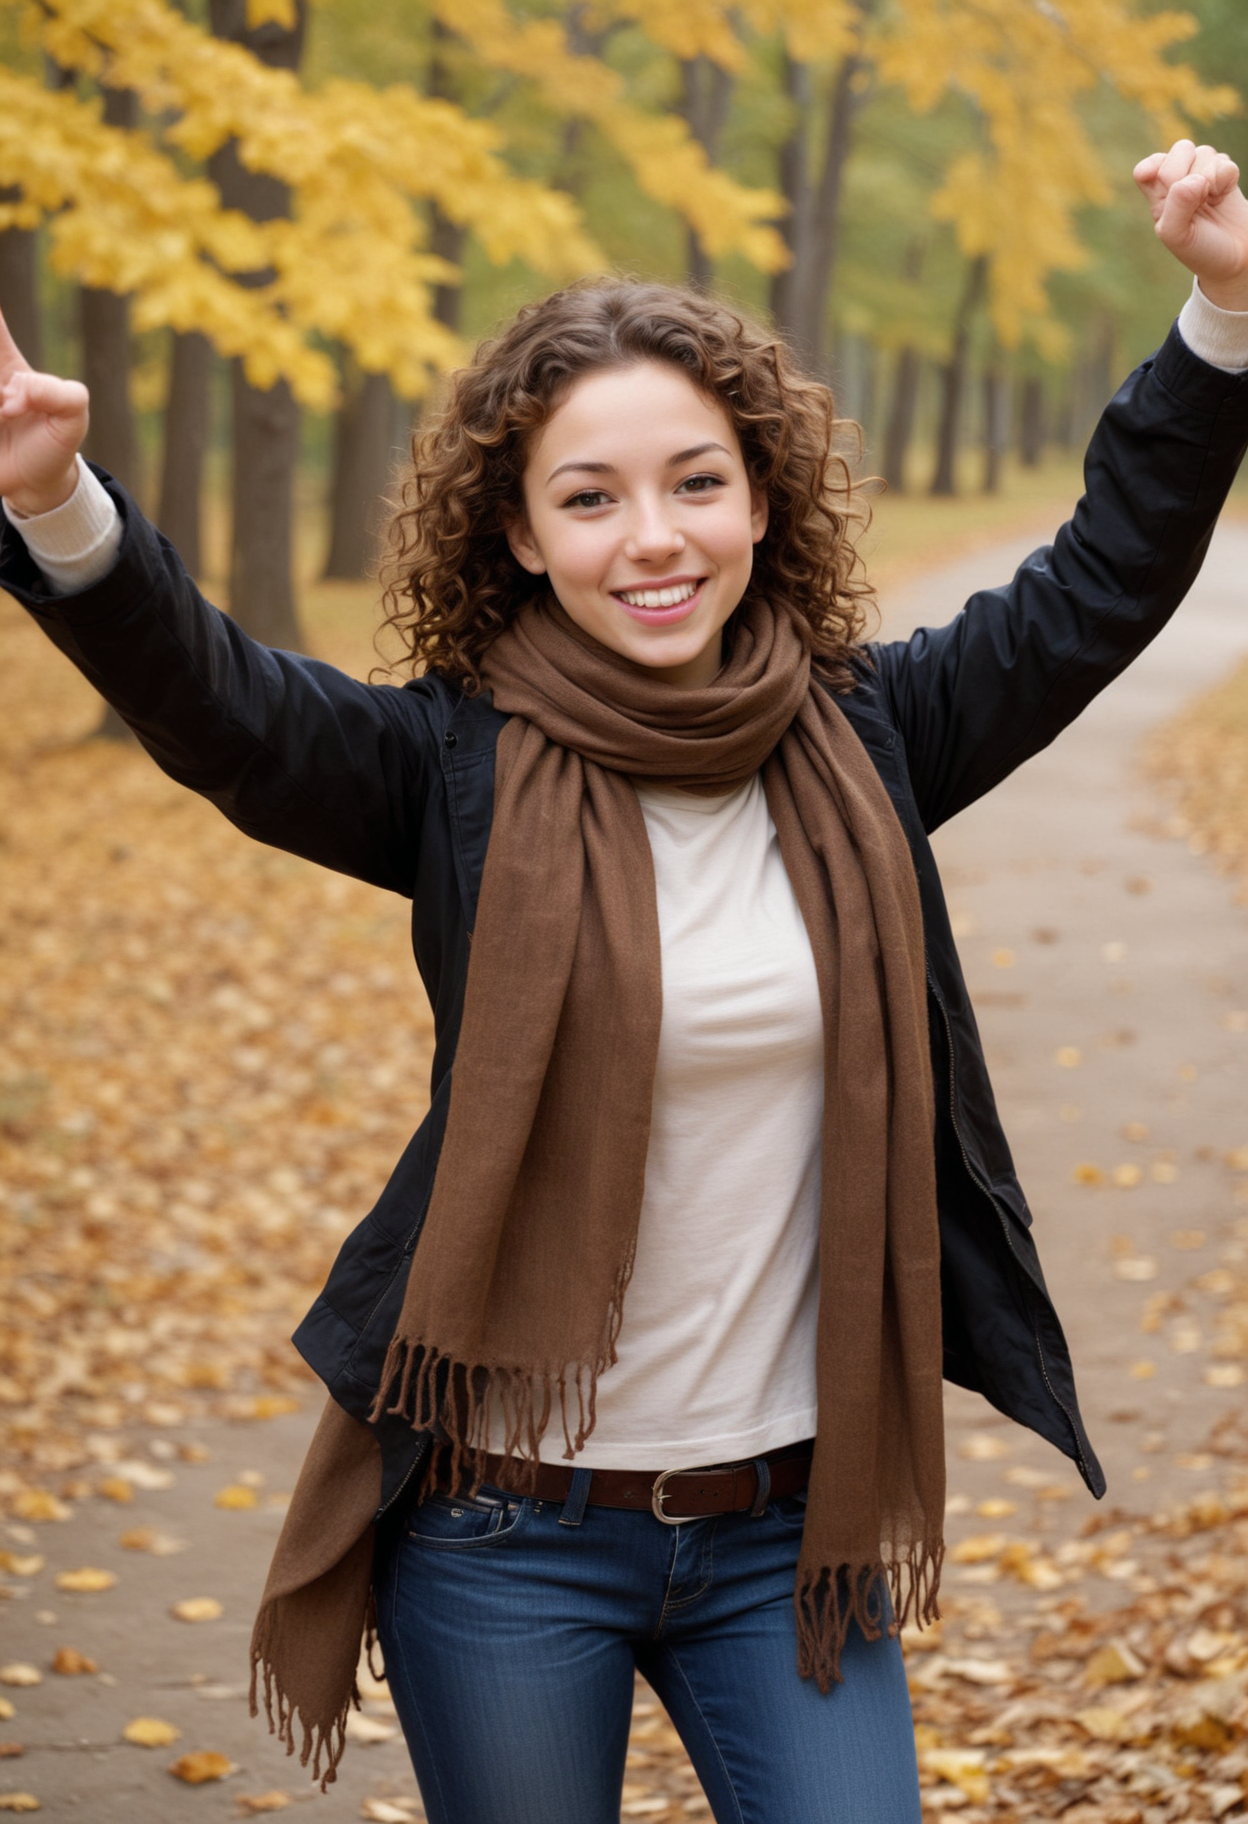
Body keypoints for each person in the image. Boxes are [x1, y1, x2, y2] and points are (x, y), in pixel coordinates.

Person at [3, 139, 1248, 1824]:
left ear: (762, 496)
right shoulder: (449, 767)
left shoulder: (873, 739)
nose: (651, 540)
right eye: (589, 499)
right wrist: (52, 501)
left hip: (787, 1533)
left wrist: (1222, 312)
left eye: (697, 482)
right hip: (506, 1536)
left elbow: (1102, 579)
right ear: (517, 535)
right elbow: (222, 706)